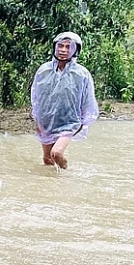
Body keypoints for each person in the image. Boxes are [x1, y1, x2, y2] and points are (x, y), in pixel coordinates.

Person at [31, 31, 98, 169]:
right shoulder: (43, 70)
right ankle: (53, 186)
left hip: (69, 122)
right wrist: (37, 120)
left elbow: (88, 99)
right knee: (47, 159)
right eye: (60, 46)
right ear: (55, 47)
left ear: (75, 50)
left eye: (68, 47)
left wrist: (84, 121)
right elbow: (36, 97)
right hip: (46, 121)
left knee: (57, 153)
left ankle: (67, 176)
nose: (63, 50)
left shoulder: (82, 74)